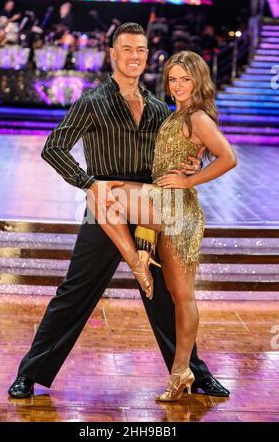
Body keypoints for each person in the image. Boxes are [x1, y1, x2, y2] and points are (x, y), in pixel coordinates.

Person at [8, 22, 230, 400]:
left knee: (164, 296)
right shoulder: (92, 102)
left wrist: (190, 169)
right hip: (105, 205)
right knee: (75, 292)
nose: (134, 56)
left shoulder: (161, 109)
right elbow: (54, 147)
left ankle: (192, 373)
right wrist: (87, 182)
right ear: (113, 54)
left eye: (141, 50)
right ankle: (30, 373)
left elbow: (181, 149)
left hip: (149, 207)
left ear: (147, 55)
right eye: (126, 49)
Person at [87, 48, 237, 401]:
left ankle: (182, 368)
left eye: (186, 79)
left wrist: (189, 180)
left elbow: (229, 158)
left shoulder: (198, 117)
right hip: (163, 207)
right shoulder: (176, 115)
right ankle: (181, 370)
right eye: (173, 79)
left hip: (177, 208)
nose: (179, 85)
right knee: (178, 295)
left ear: (198, 81)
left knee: (102, 193)